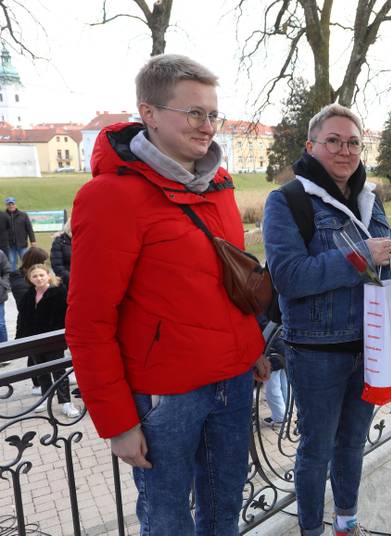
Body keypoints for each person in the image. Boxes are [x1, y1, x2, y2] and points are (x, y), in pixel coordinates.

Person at [66, 54, 268, 535]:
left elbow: (228, 284)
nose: (207, 127)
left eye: (213, 114)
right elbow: (88, 322)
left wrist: (253, 348)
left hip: (232, 381)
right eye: (193, 113)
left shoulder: (217, 184)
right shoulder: (110, 198)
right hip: (167, 397)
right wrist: (118, 422)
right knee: (168, 519)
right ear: (149, 113)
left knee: (224, 509)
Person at [263, 103, 391, 536]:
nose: (345, 150)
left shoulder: (369, 198)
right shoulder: (288, 201)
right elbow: (288, 276)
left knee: (353, 444)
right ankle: (310, 530)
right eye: (334, 141)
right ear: (311, 145)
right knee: (316, 449)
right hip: (316, 351)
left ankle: (346, 522)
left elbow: (384, 259)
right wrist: (359, 259)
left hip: (370, 345)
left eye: (354, 142)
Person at [16, 264, 80, 417]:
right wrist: (20, 339)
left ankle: (65, 402)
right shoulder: (28, 295)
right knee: (41, 372)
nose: (38, 278)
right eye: (35, 276)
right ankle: (46, 398)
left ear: (48, 276)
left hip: (53, 341)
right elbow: (22, 318)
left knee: (58, 371)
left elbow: (66, 316)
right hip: (34, 342)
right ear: (30, 279)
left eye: (41, 275)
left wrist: (61, 336)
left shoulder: (59, 292)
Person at [9, 247, 50, 387]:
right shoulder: (19, 279)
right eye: (42, 261)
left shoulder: (34, 276)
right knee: (34, 354)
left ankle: (50, 379)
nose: (44, 265)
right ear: (34, 262)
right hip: (30, 323)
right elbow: (26, 305)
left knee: (47, 352)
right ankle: (37, 383)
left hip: (44, 320)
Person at [5, 197, 35, 267]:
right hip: (9, 245)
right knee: (11, 262)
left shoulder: (23, 215)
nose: (11, 206)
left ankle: (27, 276)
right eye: (9, 204)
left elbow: (29, 229)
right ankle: (13, 277)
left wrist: (33, 241)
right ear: (6, 205)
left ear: (15, 204)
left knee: (26, 262)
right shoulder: (3, 215)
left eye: (12, 204)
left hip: (22, 244)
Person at [51, 220, 73, 288]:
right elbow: (57, 266)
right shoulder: (59, 242)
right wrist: (72, 278)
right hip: (68, 281)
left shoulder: (85, 240)